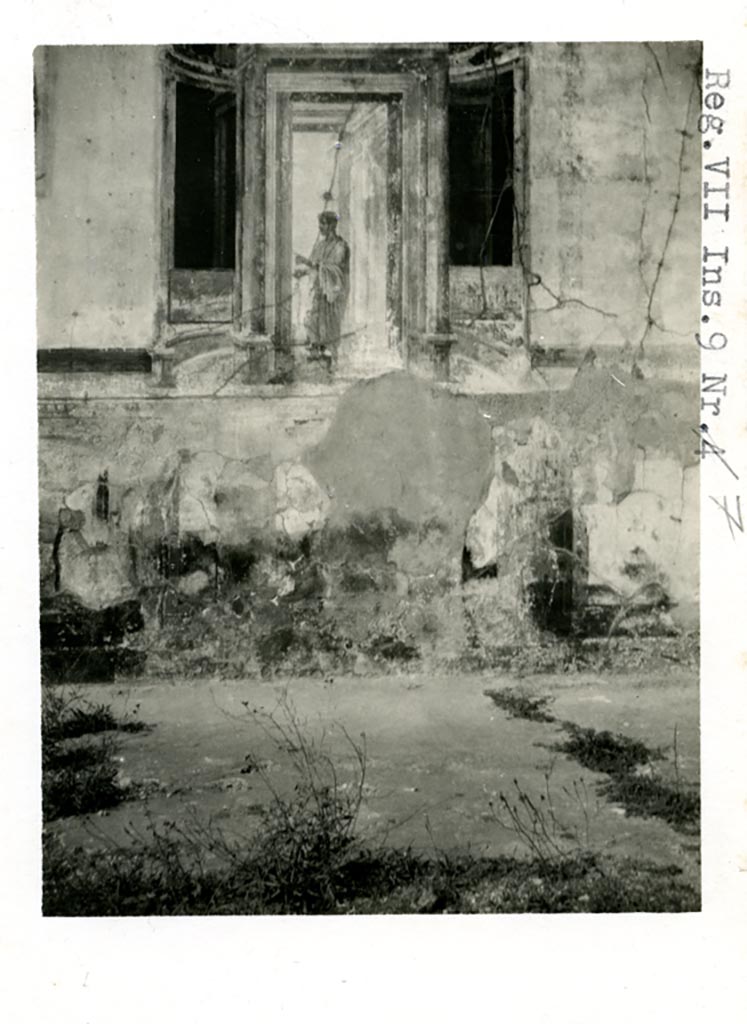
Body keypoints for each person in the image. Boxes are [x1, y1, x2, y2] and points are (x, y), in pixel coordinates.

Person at [294, 211, 350, 370]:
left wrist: (307, 263)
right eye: (320, 224)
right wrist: (303, 272)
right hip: (318, 292)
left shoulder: (341, 246)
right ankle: (316, 355)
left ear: (332, 225)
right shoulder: (319, 246)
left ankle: (330, 359)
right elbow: (314, 266)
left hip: (332, 295)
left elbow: (335, 268)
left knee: (329, 327)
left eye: (323, 224)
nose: (320, 227)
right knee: (313, 322)